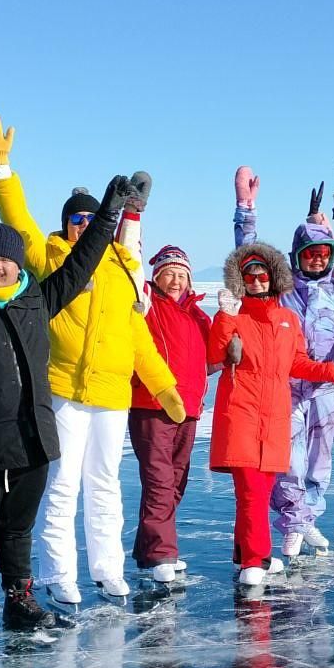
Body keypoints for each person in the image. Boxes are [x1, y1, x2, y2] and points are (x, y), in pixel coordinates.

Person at [0, 112, 184, 605]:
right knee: (63, 485)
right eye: (76, 218)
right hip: (64, 389)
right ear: (65, 223)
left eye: (92, 219)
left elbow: (137, 337)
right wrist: (1, 169)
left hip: (112, 394)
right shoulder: (49, 256)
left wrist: (163, 386)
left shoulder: (120, 269)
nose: (84, 225)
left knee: (106, 486)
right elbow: (17, 220)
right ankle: (60, 575)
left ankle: (108, 569)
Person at [0, 183, 128, 636]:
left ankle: (19, 600)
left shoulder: (38, 299)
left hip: (32, 436)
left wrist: (108, 215)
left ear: (18, 263)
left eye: (6, 259)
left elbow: (81, 261)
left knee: (18, 529)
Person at [233, 165, 334, 558]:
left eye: (324, 254)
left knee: (319, 461)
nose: (317, 260)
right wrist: (245, 209)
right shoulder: (281, 290)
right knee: (290, 461)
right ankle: (292, 523)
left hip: (328, 391)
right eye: (310, 253)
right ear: (297, 255)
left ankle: (309, 518)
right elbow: (248, 260)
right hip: (286, 390)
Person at [209, 241, 334, 586]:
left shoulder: (288, 320)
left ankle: (247, 555)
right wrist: (225, 316)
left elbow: (298, 363)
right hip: (241, 415)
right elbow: (215, 353)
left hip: (275, 419)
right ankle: (255, 562)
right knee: (251, 494)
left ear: (273, 278)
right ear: (240, 280)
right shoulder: (236, 316)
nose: (257, 281)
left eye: (262, 275)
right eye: (249, 276)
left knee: (258, 492)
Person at [129, 243, 214, 583]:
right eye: (170, 275)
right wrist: (131, 216)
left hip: (190, 409)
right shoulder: (149, 304)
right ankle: (163, 553)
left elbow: (214, 357)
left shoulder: (198, 315)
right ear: (157, 277)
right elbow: (131, 263)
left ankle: (148, 550)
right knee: (160, 480)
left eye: (182, 275)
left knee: (175, 481)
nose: (176, 281)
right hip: (153, 405)